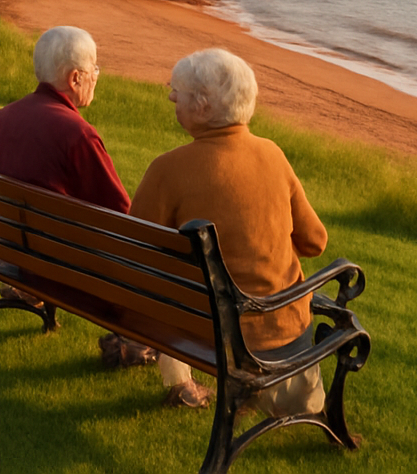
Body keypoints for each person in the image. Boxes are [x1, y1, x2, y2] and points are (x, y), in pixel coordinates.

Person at [131, 48, 329, 411]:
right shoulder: (272, 154)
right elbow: (315, 241)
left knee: (176, 283)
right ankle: (301, 405)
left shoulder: (167, 169)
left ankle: (179, 381)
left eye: (178, 92)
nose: (172, 97)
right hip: (279, 326)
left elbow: (136, 249)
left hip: (199, 334)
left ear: (203, 106)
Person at [0, 25, 130, 213]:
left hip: (0, 239)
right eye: (94, 69)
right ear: (75, 78)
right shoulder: (78, 135)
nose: (95, 76)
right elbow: (121, 213)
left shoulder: (0, 119)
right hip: (51, 242)